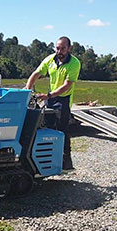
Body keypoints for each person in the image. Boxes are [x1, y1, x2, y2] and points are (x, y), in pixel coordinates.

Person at [24, 36, 81, 171]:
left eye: (63, 48)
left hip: (63, 99)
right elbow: (36, 73)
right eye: (57, 48)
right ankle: (47, 161)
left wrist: (48, 95)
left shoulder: (74, 63)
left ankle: (66, 163)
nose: (59, 51)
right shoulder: (50, 59)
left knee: (63, 131)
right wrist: (27, 89)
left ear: (69, 49)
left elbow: (67, 85)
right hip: (50, 98)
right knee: (47, 129)